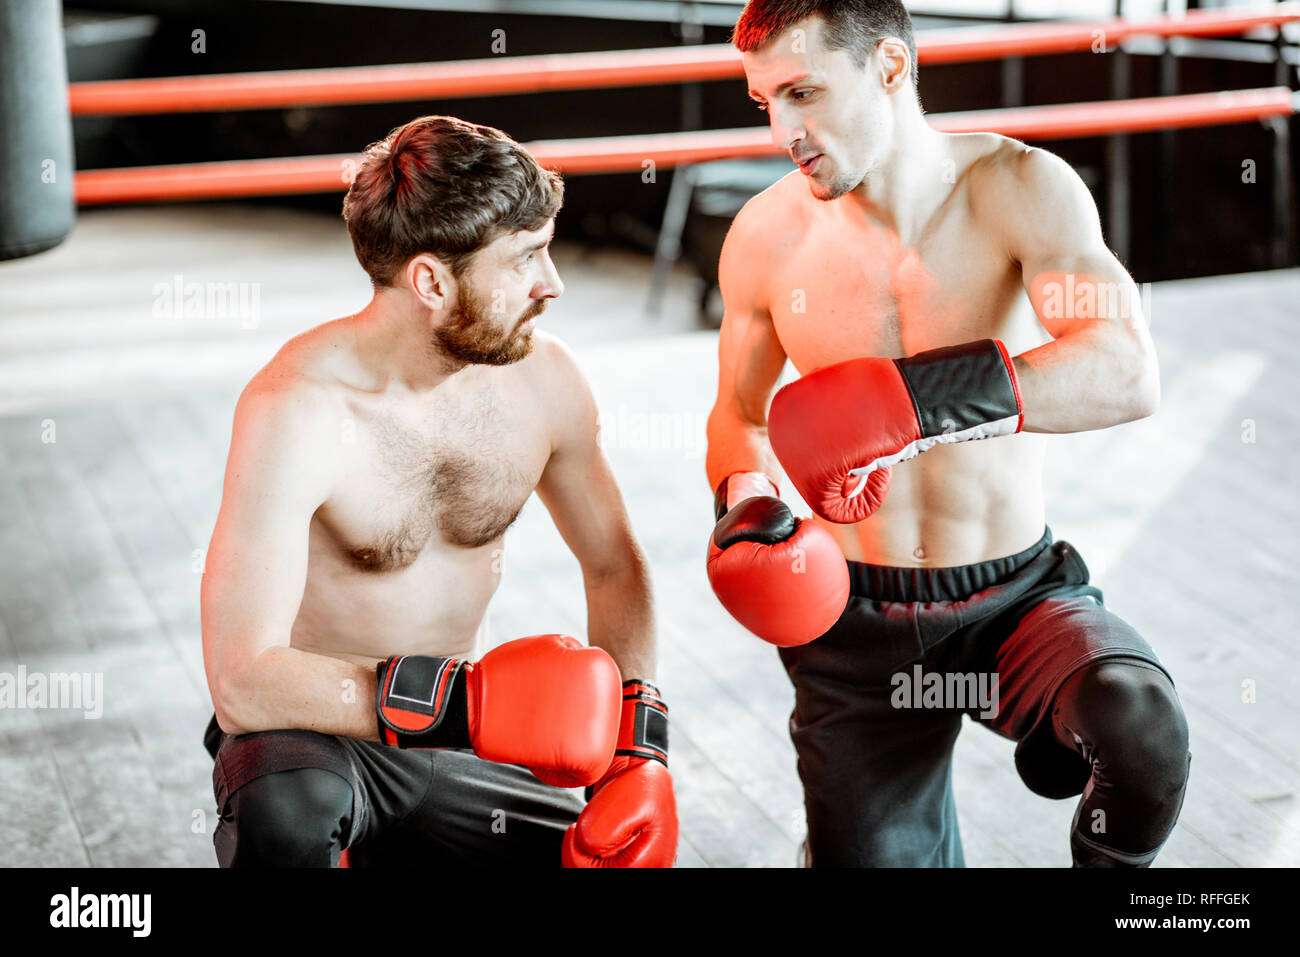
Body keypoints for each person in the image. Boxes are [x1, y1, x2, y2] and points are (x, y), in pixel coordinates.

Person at [706, 0, 1190, 867]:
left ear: (890, 67)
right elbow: (738, 414)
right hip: (852, 625)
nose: (783, 128)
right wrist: (743, 500)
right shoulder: (766, 238)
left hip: (1013, 600)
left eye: (803, 92)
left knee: (1140, 730)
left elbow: (1126, 369)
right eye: (763, 100)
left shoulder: (1018, 188)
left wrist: (914, 403)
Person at [201, 115, 676, 868]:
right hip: (318, 738)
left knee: (605, 853)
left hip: (458, 744)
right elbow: (242, 680)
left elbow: (614, 565)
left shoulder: (545, 383)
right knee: (287, 814)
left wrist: (635, 751)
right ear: (430, 280)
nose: (551, 284)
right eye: (526, 258)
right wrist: (470, 703)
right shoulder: (296, 410)